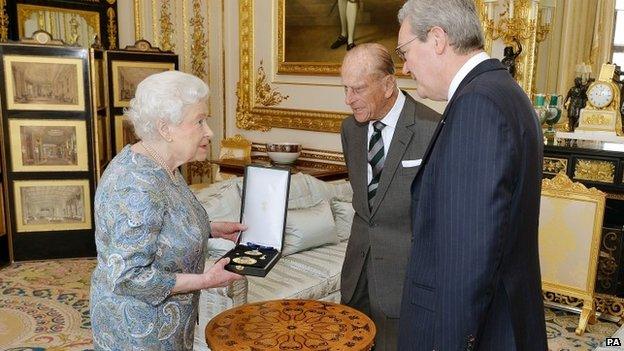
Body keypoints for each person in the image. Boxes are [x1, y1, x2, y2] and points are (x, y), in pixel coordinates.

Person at [396, 0, 547, 350]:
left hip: (480, 331)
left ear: (437, 39)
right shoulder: (504, 92)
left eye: (405, 51)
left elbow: (468, 255)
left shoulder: (477, 105)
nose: (404, 67)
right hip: (503, 317)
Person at [90, 70, 244, 350]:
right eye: (199, 121)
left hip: (168, 325)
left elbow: (165, 220)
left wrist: (209, 227)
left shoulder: (163, 166)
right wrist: (205, 280)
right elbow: (128, 276)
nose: (209, 131)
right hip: (138, 332)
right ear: (165, 129)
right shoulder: (135, 187)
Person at [340, 43, 439, 350]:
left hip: (403, 277)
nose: (349, 100)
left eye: (357, 89)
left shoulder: (431, 129)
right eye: (345, 89)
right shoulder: (350, 130)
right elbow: (366, 204)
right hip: (357, 271)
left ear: (387, 85)